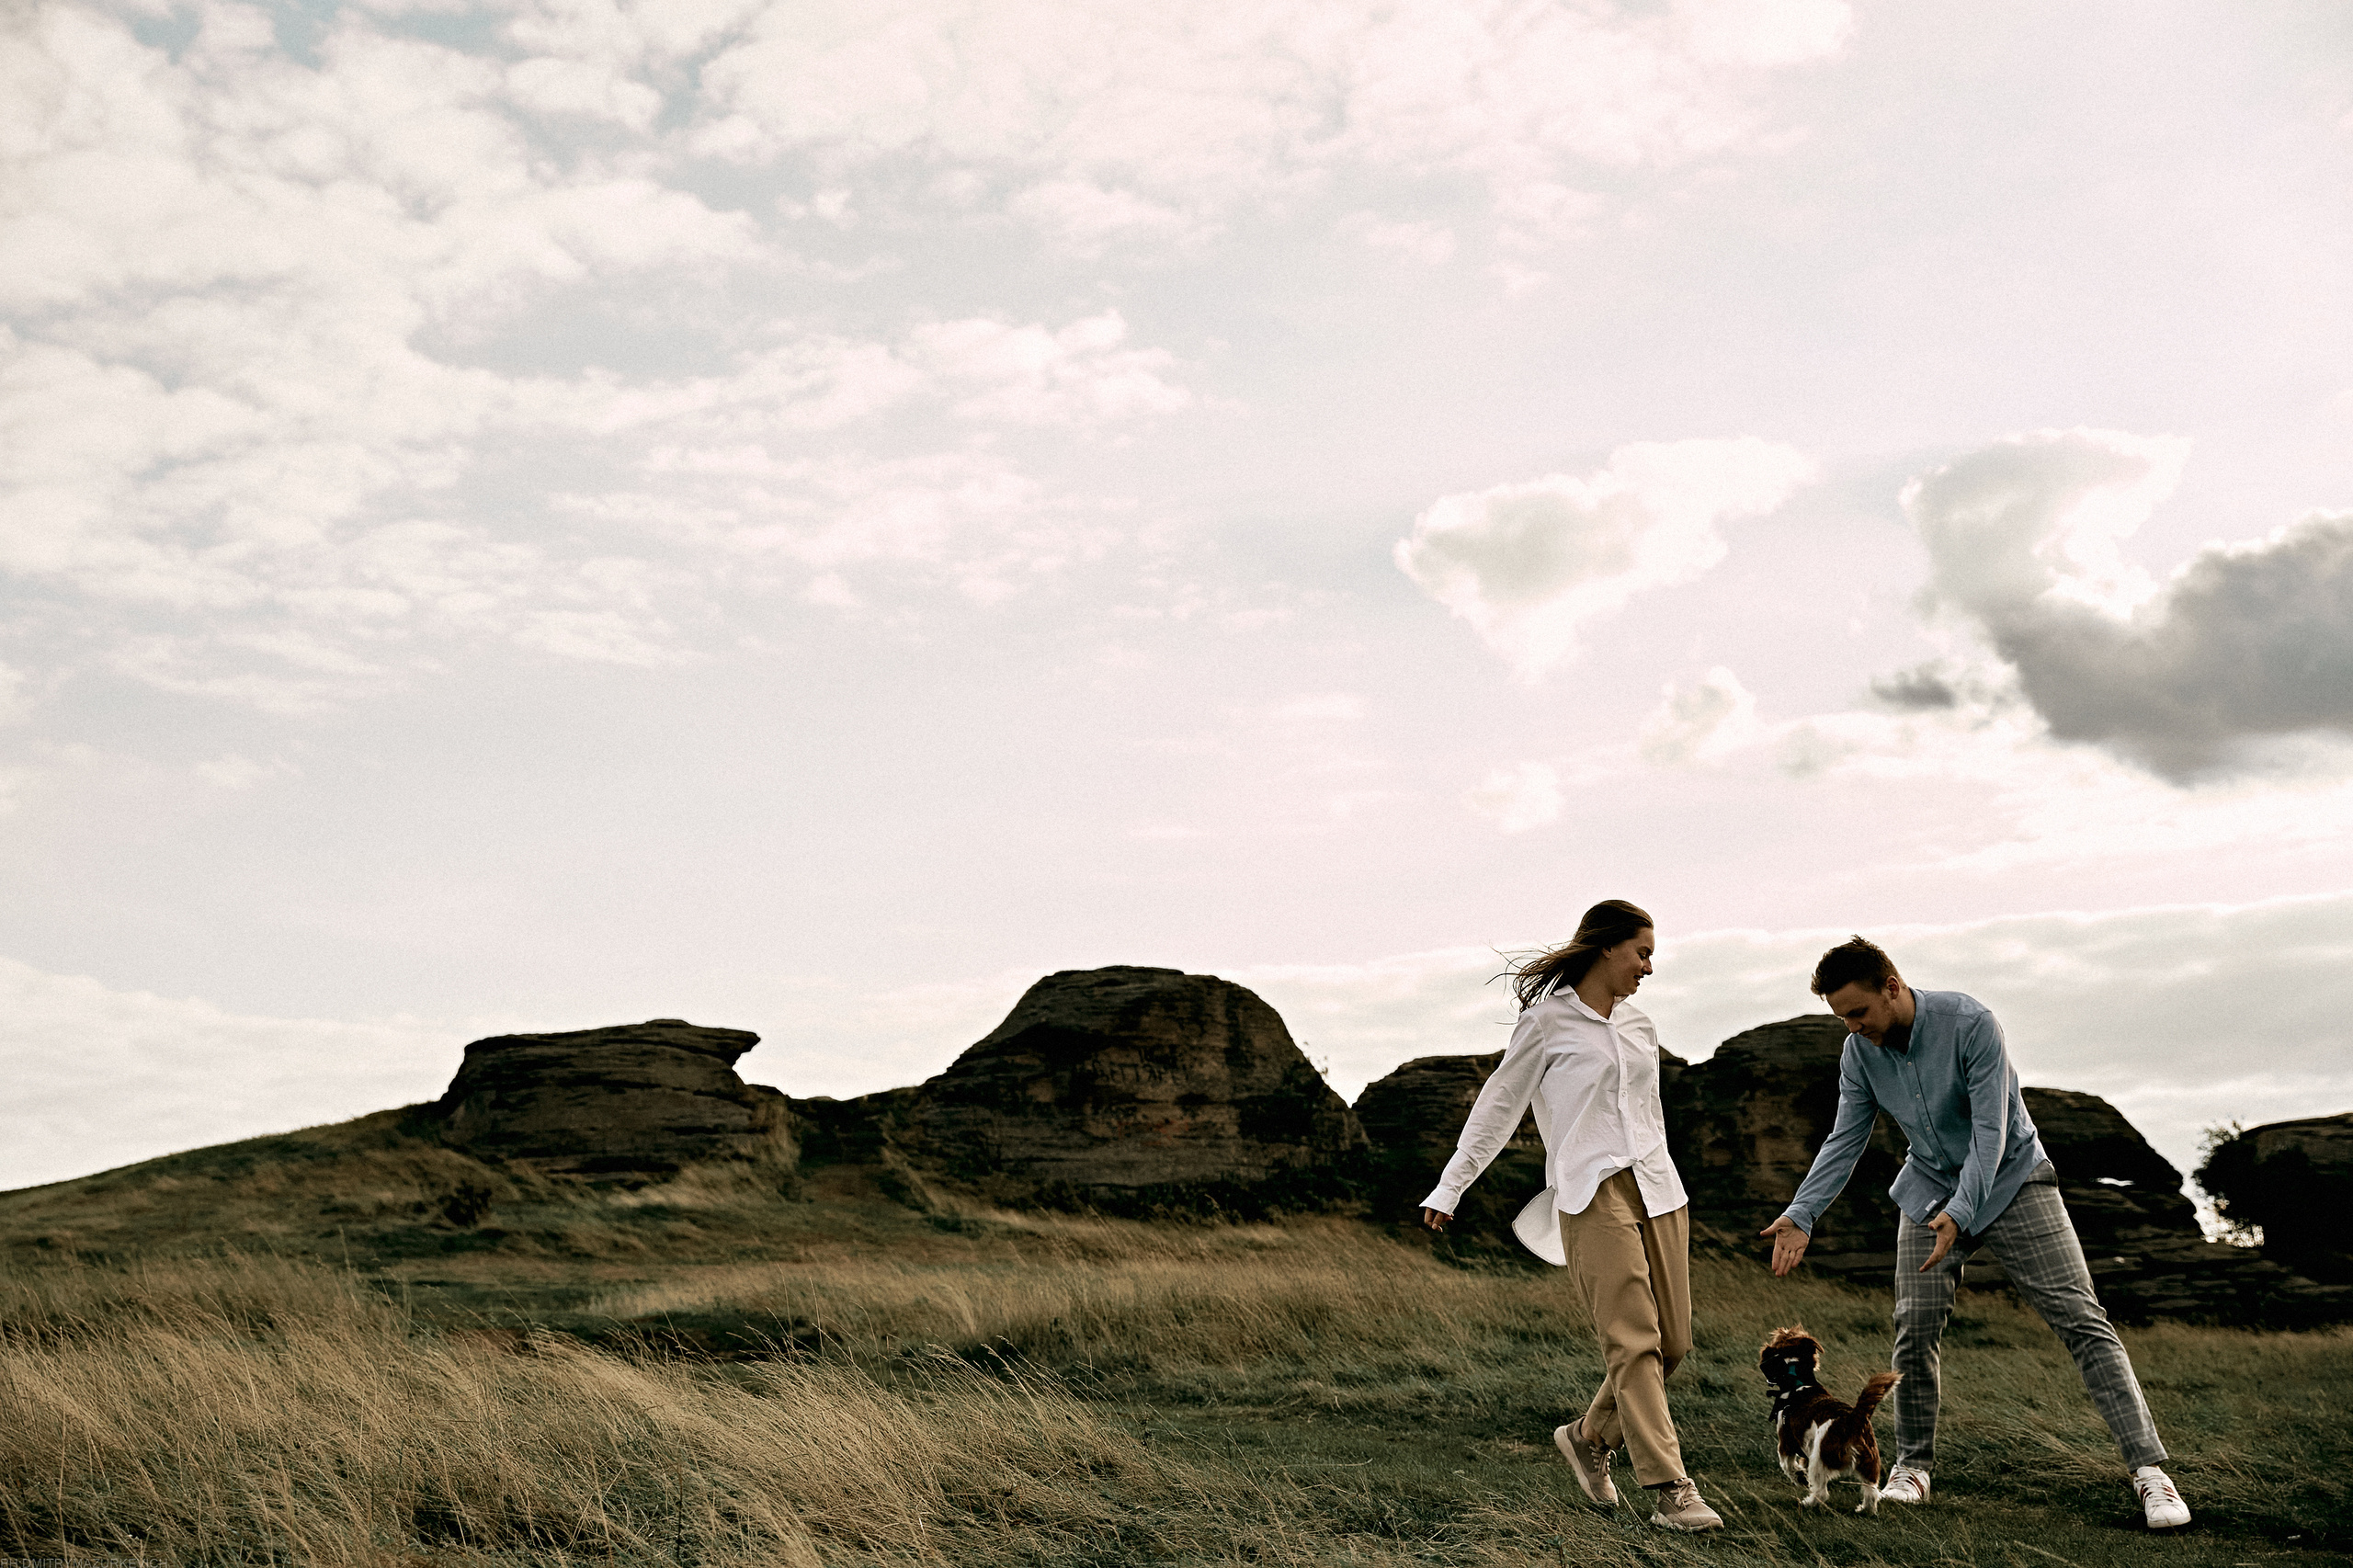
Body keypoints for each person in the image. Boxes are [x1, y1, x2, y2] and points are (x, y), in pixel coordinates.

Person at [1757, 937, 2192, 1530]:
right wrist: (1803, 1212)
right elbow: (1845, 1139)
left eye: (1859, 1013)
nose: (1854, 1028)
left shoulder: (1971, 1023)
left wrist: (1962, 1211)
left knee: (2084, 1322)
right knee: (1914, 1330)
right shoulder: (1859, 1053)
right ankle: (1913, 1470)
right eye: (1842, 1019)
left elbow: (1992, 1130)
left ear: (1893, 987)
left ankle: (2151, 1475)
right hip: (1929, 1188)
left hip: (2014, 1181)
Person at [1420, 900, 1722, 1533]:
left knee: (1674, 1344)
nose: (1648, 967)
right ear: (1608, 947)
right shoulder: (1547, 1023)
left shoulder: (1640, 1026)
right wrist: (1451, 1188)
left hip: (1661, 1190)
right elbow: (1497, 1106)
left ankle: (1588, 1437)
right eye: (1642, 952)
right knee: (1633, 1339)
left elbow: (1650, 1115)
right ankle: (1672, 1490)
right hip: (1591, 1192)